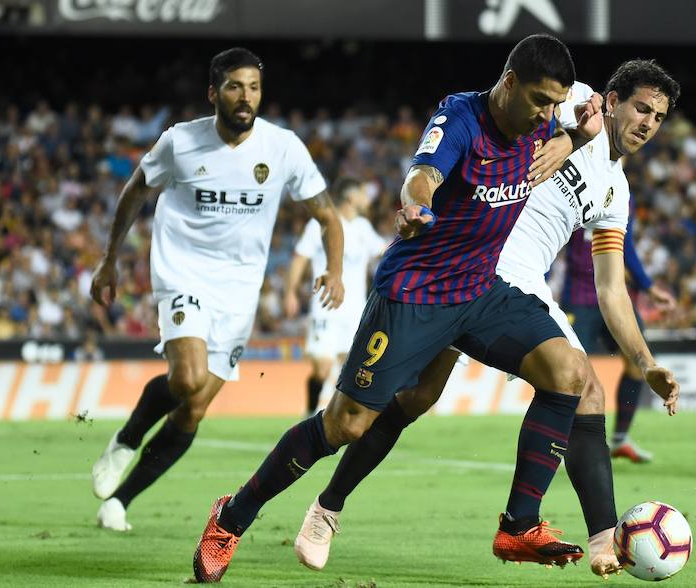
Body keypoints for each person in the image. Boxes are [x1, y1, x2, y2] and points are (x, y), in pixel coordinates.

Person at [193, 34, 592, 583]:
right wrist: (415, 206)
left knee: (569, 371)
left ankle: (519, 525)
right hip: (417, 294)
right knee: (345, 425)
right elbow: (422, 176)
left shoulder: (550, 122)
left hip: (480, 290)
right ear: (508, 83)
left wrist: (571, 137)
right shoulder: (461, 118)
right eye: (541, 101)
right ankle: (232, 518)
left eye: (556, 104)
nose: (548, 114)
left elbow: (593, 117)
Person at [290, 60, 682, 580]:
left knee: (430, 397)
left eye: (658, 117)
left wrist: (646, 362)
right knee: (409, 401)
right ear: (612, 100)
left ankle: (586, 537)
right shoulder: (575, 98)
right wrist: (568, 136)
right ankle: (330, 508)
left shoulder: (616, 192)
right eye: (641, 108)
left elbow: (612, 290)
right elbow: (515, 101)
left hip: (517, 284)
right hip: (468, 257)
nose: (648, 123)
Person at [89, 47, 344, 532]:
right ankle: (125, 439)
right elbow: (135, 191)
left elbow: (327, 214)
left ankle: (120, 501)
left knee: (197, 404)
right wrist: (109, 259)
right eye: (234, 87)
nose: (245, 97)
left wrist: (334, 269)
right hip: (183, 271)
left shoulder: (283, 147)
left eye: (253, 87)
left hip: (239, 290)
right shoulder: (180, 142)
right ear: (213, 93)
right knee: (185, 379)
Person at [563, 215, 676, 463]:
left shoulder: (624, 196)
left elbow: (627, 247)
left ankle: (620, 439)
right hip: (580, 297)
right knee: (570, 372)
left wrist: (648, 287)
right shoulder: (573, 180)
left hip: (615, 294)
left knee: (638, 365)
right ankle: (562, 443)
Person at [284, 177, 387, 415]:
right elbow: (300, 257)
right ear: (351, 197)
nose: (367, 199)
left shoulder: (362, 227)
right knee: (323, 367)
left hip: (355, 311)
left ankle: (338, 418)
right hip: (326, 306)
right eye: (363, 193)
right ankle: (309, 414)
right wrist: (290, 292)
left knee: (350, 367)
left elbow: (383, 250)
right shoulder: (321, 225)